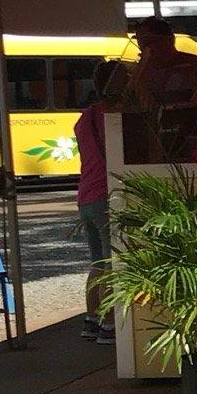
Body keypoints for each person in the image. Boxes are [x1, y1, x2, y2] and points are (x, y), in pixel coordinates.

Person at [74, 60, 123, 342]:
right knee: (113, 263)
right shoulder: (114, 115)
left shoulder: (86, 117)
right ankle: (109, 324)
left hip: (87, 194)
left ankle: (91, 320)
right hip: (108, 194)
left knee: (98, 262)